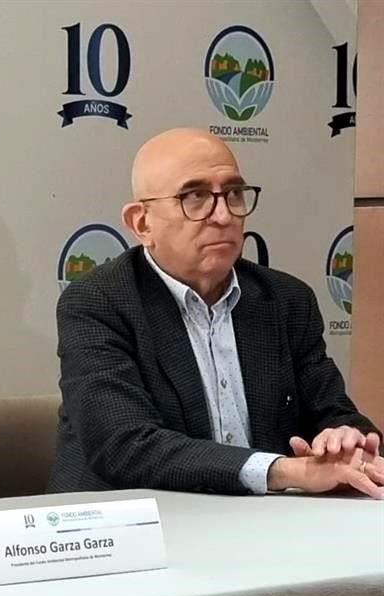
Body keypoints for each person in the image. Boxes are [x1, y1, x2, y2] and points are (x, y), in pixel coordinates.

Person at [48, 128, 384, 498]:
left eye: (234, 194)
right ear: (141, 223)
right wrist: (280, 470)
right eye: (196, 197)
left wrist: (345, 439)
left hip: (269, 528)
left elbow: (332, 410)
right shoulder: (98, 303)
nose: (223, 216)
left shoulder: (286, 300)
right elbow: (125, 444)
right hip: (141, 529)